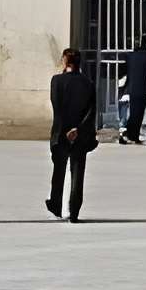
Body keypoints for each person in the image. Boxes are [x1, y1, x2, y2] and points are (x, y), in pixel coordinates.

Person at [45, 46, 99, 221]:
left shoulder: (56, 81)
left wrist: (65, 129)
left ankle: (56, 204)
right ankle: (74, 210)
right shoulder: (88, 84)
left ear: (65, 61)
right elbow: (92, 111)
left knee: (59, 170)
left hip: (61, 132)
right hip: (80, 134)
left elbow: (57, 107)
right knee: (77, 171)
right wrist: (78, 129)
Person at [116, 44, 146, 144]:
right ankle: (126, 134)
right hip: (128, 92)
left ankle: (126, 134)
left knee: (127, 115)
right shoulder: (132, 61)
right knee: (129, 115)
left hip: (126, 92)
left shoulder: (129, 60)